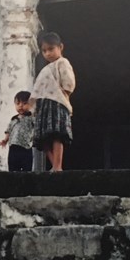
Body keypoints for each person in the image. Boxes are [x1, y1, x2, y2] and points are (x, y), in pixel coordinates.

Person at [31, 31, 76, 172]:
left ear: (60, 47)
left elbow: (68, 81)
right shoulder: (45, 69)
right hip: (44, 104)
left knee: (56, 134)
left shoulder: (62, 62)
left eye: (51, 49)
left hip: (57, 102)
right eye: (44, 51)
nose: (48, 53)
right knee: (43, 138)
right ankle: (54, 165)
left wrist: (65, 93)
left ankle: (57, 166)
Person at [0, 91, 35, 172]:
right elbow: (9, 130)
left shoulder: (31, 118)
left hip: (26, 147)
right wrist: (5, 140)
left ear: (31, 104)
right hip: (14, 146)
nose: (20, 106)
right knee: (13, 168)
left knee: (27, 169)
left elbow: (37, 127)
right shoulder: (14, 119)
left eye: (24, 103)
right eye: (18, 103)